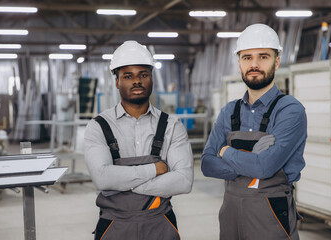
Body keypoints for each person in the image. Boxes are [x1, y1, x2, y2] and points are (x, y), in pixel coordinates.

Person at [201, 23, 307, 239]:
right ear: (239, 63)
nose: (254, 64)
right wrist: (252, 163)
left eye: (263, 57)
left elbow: (265, 166)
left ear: (276, 62)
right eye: (247, 58)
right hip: (230, 215)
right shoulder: (229, 111)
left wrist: (225, 152)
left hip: (270, 215)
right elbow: (206, 164)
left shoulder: (290, 110)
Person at [84, 40, 194, 240]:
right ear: (117, 81)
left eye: (143, 75)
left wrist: (124, 183)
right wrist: (155, 169)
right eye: (128, 76)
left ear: (151, 78)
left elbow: (184, 181)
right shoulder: (98, 126)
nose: (137, 81)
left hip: (161, 225)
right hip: (114, 227)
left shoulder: (171, 125)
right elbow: (102, 178)